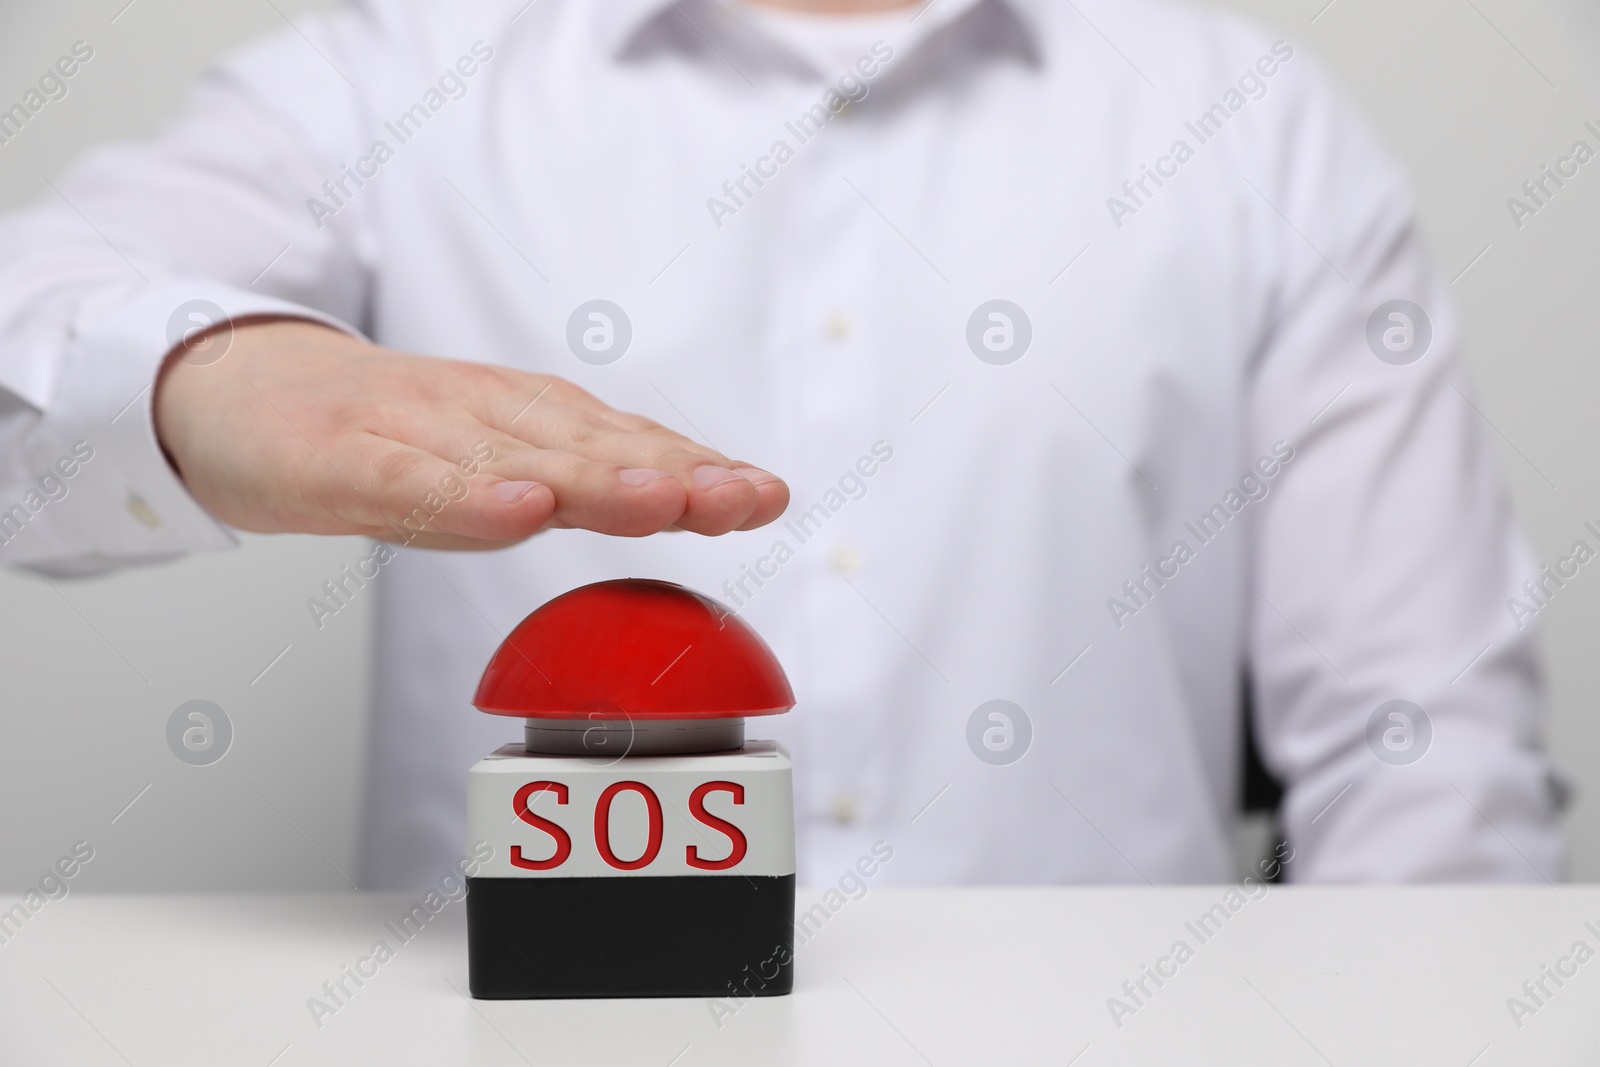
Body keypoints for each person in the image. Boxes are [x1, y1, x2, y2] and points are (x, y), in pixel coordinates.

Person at [0, 0, 1566, 888]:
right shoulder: (394, 71)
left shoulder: (1253, 124)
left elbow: (1425, 753)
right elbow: (34, 335)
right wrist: (200, 375)